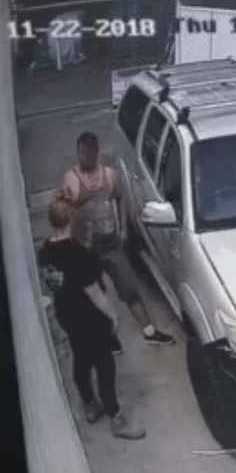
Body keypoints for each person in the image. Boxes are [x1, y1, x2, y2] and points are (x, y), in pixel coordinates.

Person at [38, 191, 146, 440]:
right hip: (88, 317)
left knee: (81, 358)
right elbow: (94, 293)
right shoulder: (77, 254)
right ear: (71, 220)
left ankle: (90, 403)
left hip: (65, 314)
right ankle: (116, 417)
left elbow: (53, 283)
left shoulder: (45, 251)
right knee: (105, 366)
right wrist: (112, 316)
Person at [60, 131, 174, 347]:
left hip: (111, 243)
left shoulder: (110, 176)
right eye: (83, 152)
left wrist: (122, 230)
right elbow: (62, 213)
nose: (87, 156)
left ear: (96, 151)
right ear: (79, 153)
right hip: (85, 248)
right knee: (95, 295)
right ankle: (107, 338)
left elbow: (121, 199)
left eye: (91, 151)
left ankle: (149, 332)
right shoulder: (71, 181)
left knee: (129, 287)